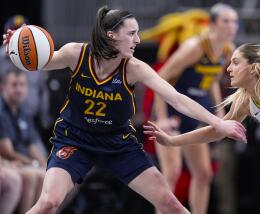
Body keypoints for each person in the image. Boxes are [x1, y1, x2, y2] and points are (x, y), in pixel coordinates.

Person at [3, 5, 246, 214]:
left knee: (171, 204)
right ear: (111, 36)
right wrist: (18, 46)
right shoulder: (76, 53)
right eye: (132, 34)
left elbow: (177, 98)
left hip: (117, 144)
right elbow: (37, 61)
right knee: (48, 203)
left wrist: (219, 122)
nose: (138, 40)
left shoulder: (134, 68)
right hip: (75, 141)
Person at [145, 43, 260, 214]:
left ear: (253, 68)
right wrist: (173, 141)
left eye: (235, 62)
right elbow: (216, 131)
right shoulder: (245, 101)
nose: (228, 69)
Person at [153, 3, 238, 214]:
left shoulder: (227, 49)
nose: (231, 26)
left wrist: (219, 113)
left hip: (194, 113)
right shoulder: (195, 47)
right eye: (226, 21)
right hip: (172, 111)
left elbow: (212, 81)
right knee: (171, 173)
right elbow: (160, 79)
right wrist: (162, 117)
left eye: (235, 21)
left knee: (204, 174)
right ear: (213, 24)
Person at [0, 68, 46, 213]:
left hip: (21, 160)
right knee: (33, 175)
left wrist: (46, 163)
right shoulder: (1, 111)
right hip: (11, 160)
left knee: (48, 174)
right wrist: (33, 163)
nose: (19, 89)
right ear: (3, 87)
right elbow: (7, 151)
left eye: (22, 85)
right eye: (14, 85)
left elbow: (31, 144)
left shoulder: (23, 110)